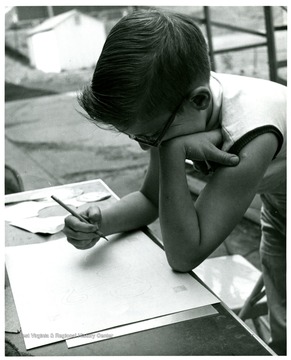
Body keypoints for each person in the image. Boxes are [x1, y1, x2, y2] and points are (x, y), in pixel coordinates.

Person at [63, 9, 286, 355]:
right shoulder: (178, 107)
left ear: (200, 100)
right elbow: (153, 199)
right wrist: (101, 220)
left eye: (150, 136)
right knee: (284, 329)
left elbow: (184, 254)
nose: (143, 146)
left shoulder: (249, 134)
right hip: (280, 209)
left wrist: (171, 150)